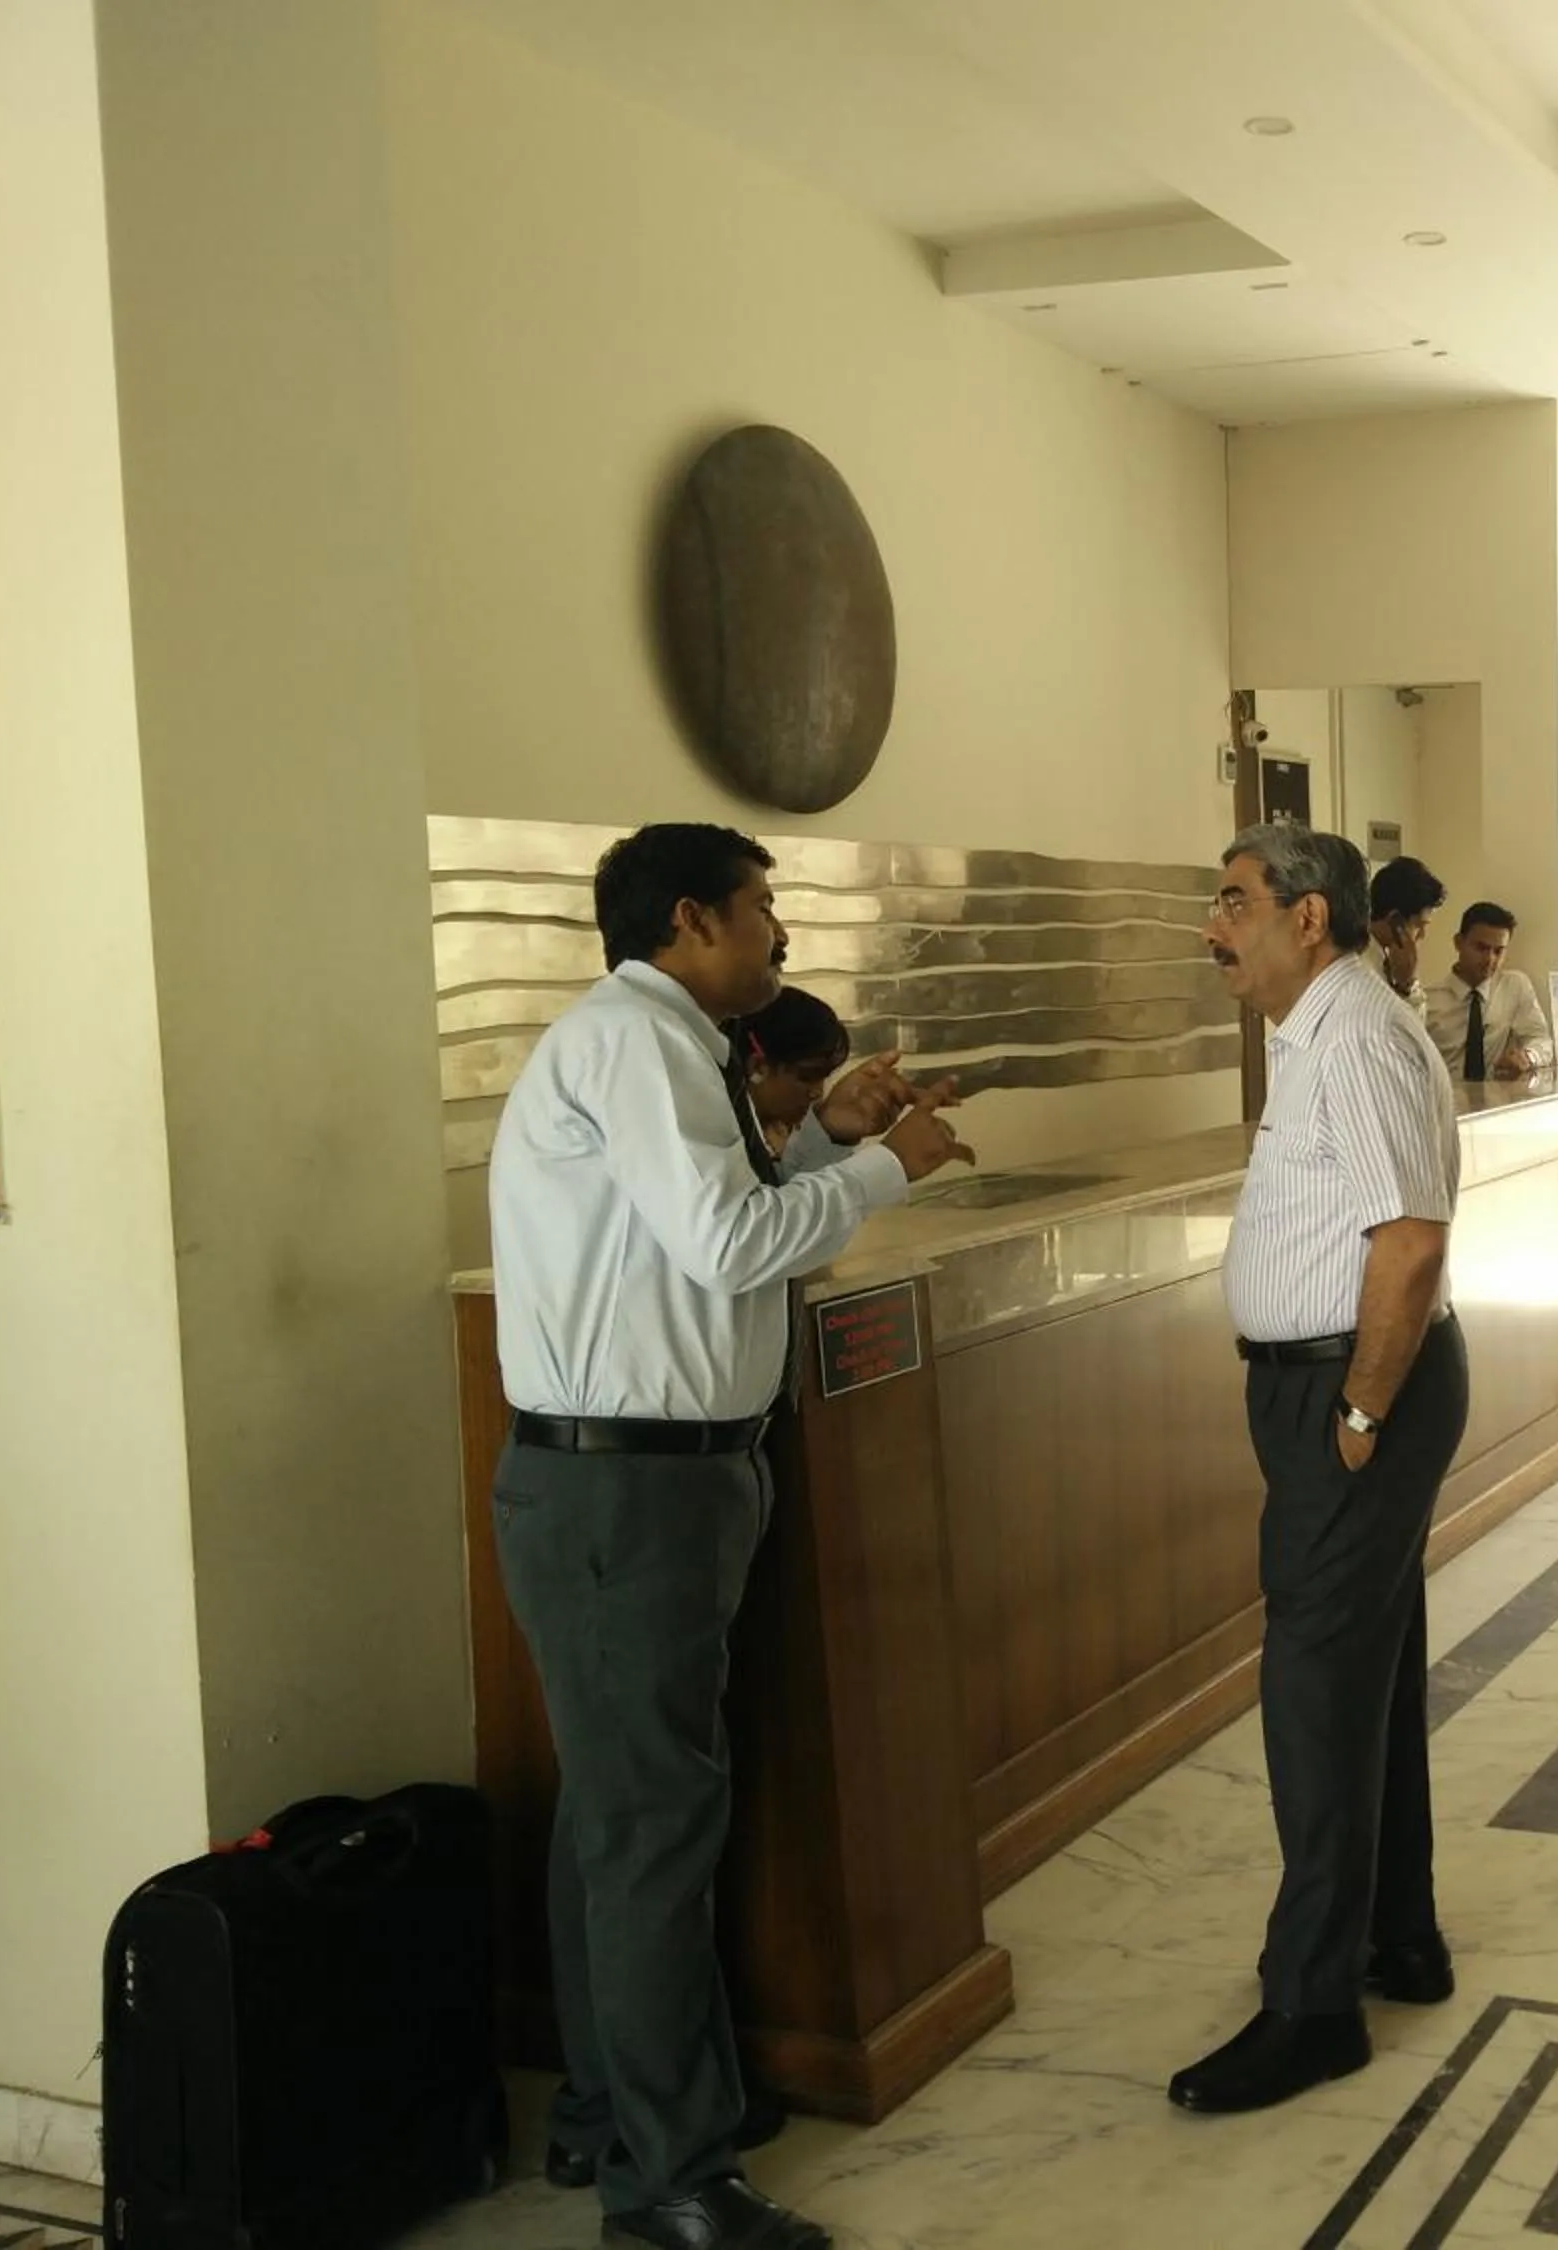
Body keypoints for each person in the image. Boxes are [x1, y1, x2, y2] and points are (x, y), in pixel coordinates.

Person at [488, 823, 968, 2250]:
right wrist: (896, 1170)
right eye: (765, 909)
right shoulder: (637, 1041)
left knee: (620, 1822)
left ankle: (610, 2108)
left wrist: (828, 1139)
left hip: (660, 1483)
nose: (781, 935)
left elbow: (732, 1230)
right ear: (689, 917)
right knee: (648, 1836)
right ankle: (671, 2179)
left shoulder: (672, 1045)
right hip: (624, 1495)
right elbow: (732, 1247)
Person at [1170, 824, 1471, 2117]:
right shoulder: (1321, 1030)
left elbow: (1406, 1240)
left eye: (1233, 902)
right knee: (1368, 1667)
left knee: (1312, 1686)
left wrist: (1355, 1413)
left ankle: (1312, 2005)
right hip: (1335, 1383)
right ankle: (1396, 1934)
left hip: (1357, 1384)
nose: (1213, 927)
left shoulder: (1349, 1031)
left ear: (1308, 917)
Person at [1420, 901, 1552, 1083]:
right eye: (1481, 948)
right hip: (1445, 1101)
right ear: (1458, 943)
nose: (1490, 959)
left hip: (1495, 1104)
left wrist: (1528, 1057)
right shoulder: (1427, 1000)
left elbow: (1541, 1039)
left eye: (1498, 951)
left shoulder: (1514, 986)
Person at [738, 986, 853, 1161]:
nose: (817, 1093)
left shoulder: (777, 1137)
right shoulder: (722, 1142)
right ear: (759, 1067)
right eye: (807, 1076)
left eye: (824, 1077)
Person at [1370, 855, 1447, 1012]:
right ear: (1395, 921)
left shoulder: (1396, 961)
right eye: (1419, 926)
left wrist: (1408, 983)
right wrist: (1404, 986)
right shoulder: (1361, 965)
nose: (1422, 935)